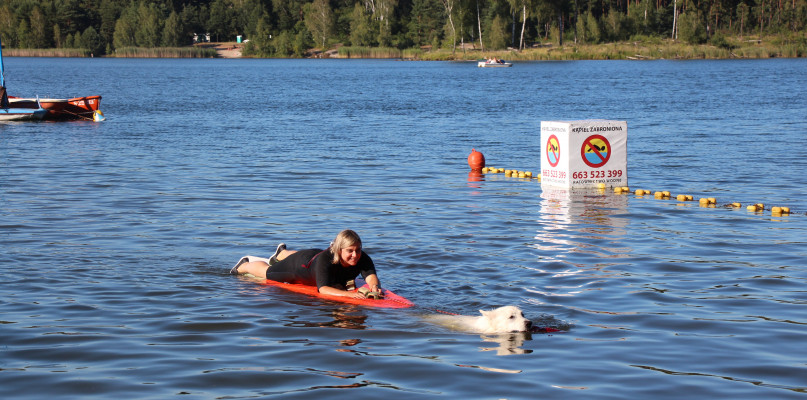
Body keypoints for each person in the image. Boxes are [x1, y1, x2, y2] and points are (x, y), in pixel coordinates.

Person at [230, 229, 380, 299]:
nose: (355, 255)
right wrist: (349, 296)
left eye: (358, 250)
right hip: (300, 266)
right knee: (269, 273)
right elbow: (324, 289)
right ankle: (243, 265)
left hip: (313, 256)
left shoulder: (362, 256)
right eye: (350, 251)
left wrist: (375, 287)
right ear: (339, 250)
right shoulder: (326, 261)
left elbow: (370, 275)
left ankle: (281, 254)